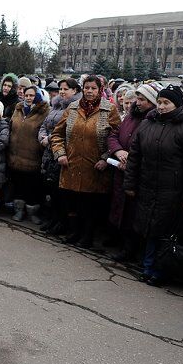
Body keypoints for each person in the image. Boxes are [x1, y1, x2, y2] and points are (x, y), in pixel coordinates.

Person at [123, 87, 183, 285]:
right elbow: (135, 156)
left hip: (173, 192)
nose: (161, 107)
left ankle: (162, 271)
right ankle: (148, 266)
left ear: (177, 105)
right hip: (148, 186)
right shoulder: (147, 123)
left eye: (166, 103)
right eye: (159, 102)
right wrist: (130, 182)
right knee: (150, 230)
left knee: (166, 233)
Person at [49, 75, 122, 248]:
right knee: (72, 202)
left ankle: (87, 235)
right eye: (87, 88)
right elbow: (57, 134)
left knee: (89, 205)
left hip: (94, 166)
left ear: (100, 90)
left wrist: (106, 158)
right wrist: (60, 153)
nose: (89, 91)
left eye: (93, 88)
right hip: (71, 164)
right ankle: (74, 232)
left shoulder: (109, 110)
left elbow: (115, 138)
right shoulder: (73, 108)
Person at [106, 84, 157, 262]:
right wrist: (118, 151)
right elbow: (113, 135)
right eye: (137, 98)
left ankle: (132, 249)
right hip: (120, 169)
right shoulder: (130, 117)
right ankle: (121, 242)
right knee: (120, 207)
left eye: (142, 99)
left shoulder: (153, 121)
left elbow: (151, 149)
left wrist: (131, 162)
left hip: (138, 173)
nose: (137, 102)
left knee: (133, 212)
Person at [38, 78, 79, 234]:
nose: (62, 92)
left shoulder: (75, 108)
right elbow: (45, 125)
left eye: (65, 89)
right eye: (60, 89)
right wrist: (42, 137)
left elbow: (67, 132)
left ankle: (62, 222)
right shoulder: (55, 106)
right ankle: (53, 219)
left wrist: (48, 139)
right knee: (51, 190)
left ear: (74, 91)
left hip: (62, 153)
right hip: (49, 152)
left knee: (61, 191)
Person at [7, 84, 50, 222]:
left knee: (32, 186)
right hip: (16, 155)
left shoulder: (43, 111)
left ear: (37, 96)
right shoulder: (18, 109)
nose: (29, 98)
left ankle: (33, 211)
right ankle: (19, 210)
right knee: (18, 184)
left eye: (32, 95)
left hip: (33, 156)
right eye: (26, 95)